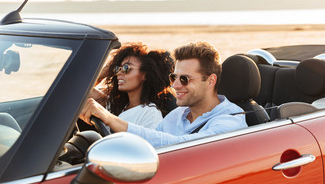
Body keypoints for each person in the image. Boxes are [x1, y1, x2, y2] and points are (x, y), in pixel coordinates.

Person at [80, 41, 248, 147]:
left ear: (211, 81)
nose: (175, 85)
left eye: (184, 79)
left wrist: (110, 119)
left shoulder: (229, 123)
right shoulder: (177, 115)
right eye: (174, 77)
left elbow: (180, 146)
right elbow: (149, 143)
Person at [88, 42, 175, 129]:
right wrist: (103, 73)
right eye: (117, 69)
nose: (119, 73)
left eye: (126, 68)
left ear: (146, 74)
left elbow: (149, 142)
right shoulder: (115, 106)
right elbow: (78, 92)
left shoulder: (150, 113)